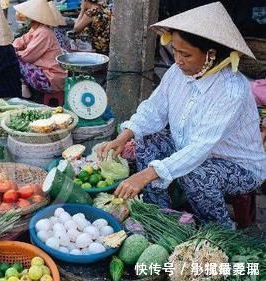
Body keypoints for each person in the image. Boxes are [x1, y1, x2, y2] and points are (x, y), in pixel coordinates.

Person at [97, 2, 266, 229]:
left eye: (185, 54)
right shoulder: (178, 72)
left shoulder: (231, 90)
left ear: (210, 55)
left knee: (195, 173)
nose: (177, 60)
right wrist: (123, 136)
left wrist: (146, 174)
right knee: (146, 139)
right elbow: (154, 109)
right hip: (190, 148)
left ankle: (219, 231)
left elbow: (199, 149)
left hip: (237, 165)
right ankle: (161, 215)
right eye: (174, 50)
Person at [13, 0, 67, 97]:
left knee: (15, 60)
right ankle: (23, 87)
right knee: (13, 56)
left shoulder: (44, 33)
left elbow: (27, 56)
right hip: (46, 73)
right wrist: (14, 47)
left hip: (51, 79)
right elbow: (22, 40)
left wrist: (13, 52)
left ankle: (20, 89)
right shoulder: (36, 29)